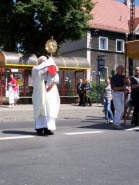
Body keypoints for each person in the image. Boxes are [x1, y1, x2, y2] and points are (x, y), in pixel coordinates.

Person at [32, 56, 60, 136]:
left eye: (46, 61)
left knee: (50, 110)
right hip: (40, 93)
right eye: (43, 61)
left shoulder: (49, 69)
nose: (45, 62)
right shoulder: (35, 68)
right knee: (41, 109)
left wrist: (52, 68)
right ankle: (39, 128)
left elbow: (55, 78)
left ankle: (48, 128)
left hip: (50, 93)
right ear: (39, 62)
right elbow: (38, 75)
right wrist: (47, 67)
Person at [110, 65, 128, 129]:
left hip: (122, 93)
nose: (122, 70)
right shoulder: (114, 77)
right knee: (119, 108)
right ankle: (116, 123)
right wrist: (122, 87)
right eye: (121, 69)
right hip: (116, 93)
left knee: (122, 109)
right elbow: (114, 88)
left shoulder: (124, 77)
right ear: (117, 70)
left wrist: (127, 81)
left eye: (123, 69)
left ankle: (117, 121)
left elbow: (128, 85)